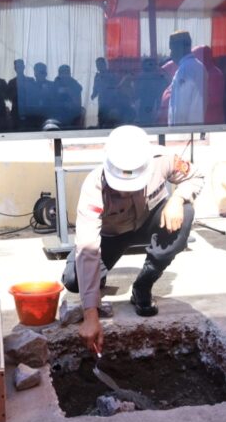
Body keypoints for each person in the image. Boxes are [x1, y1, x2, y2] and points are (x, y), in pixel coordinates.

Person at [62, 125, 204, 352]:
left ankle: (143, 286)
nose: (126, 193)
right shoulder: (93, 186)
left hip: (150, 221)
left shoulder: (163, 159)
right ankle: (98, 278)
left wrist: (177, 198)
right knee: (74, 280)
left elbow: (195, 176)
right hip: (112, 235)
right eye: (120, 190)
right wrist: (91, 314)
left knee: (185, 212)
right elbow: (88, 247)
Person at [167, 31, 206, 126]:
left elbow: (180, 109)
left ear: (180, 48)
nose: (170, 54)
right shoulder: (200, 66)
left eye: (172, 49)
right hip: (195, 129)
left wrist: (176, 134)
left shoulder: (185, 70)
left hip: (184, 134)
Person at [6, 59, 35, 130]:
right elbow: (8, 97)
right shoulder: (11, 82)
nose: (19, 68)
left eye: (20, 66)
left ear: (24, 67)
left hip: (29, 112)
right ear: (15, 68)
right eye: (17, 67)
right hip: (16, 112)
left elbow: (34, 96)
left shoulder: (30, 80)